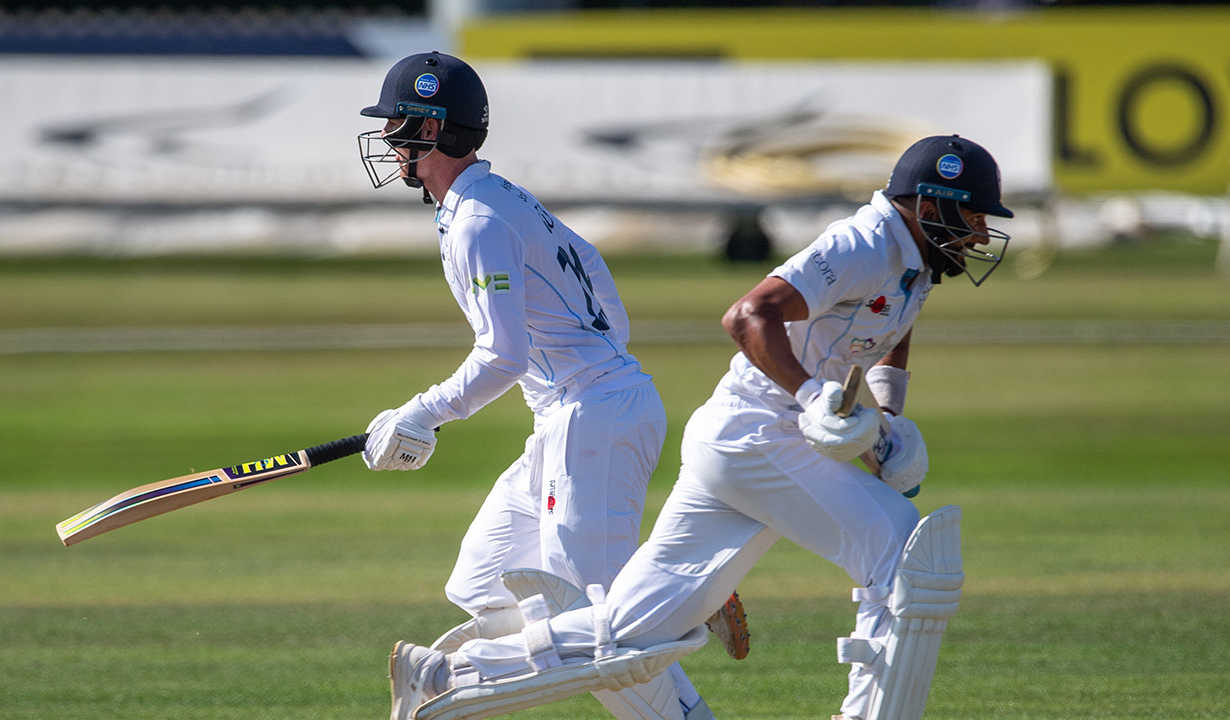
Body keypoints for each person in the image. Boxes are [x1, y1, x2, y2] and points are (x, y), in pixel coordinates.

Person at [386, 134, 1012, 720]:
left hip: (733, 442)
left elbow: (888, 332)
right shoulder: (865, 243)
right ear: (933, 204)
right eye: (975, 216)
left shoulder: (914, 264)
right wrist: (814, 395)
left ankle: (446, 676)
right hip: (756, 435)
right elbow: (749, 315)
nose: (982, 232)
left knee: (627, 630)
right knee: (903, 552)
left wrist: (889, 423)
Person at [355, 51, 745, 720]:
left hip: (591, 416)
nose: (389, 141)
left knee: (603, 632)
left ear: (433, 130)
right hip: (577, 412)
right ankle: (659, 586)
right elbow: (596, 281)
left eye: (398, 126)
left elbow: (502, 354)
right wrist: (576, 372)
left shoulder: (478, 219)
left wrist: (423, 413)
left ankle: (668, 597)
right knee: (483, 578)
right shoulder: (495, 198)